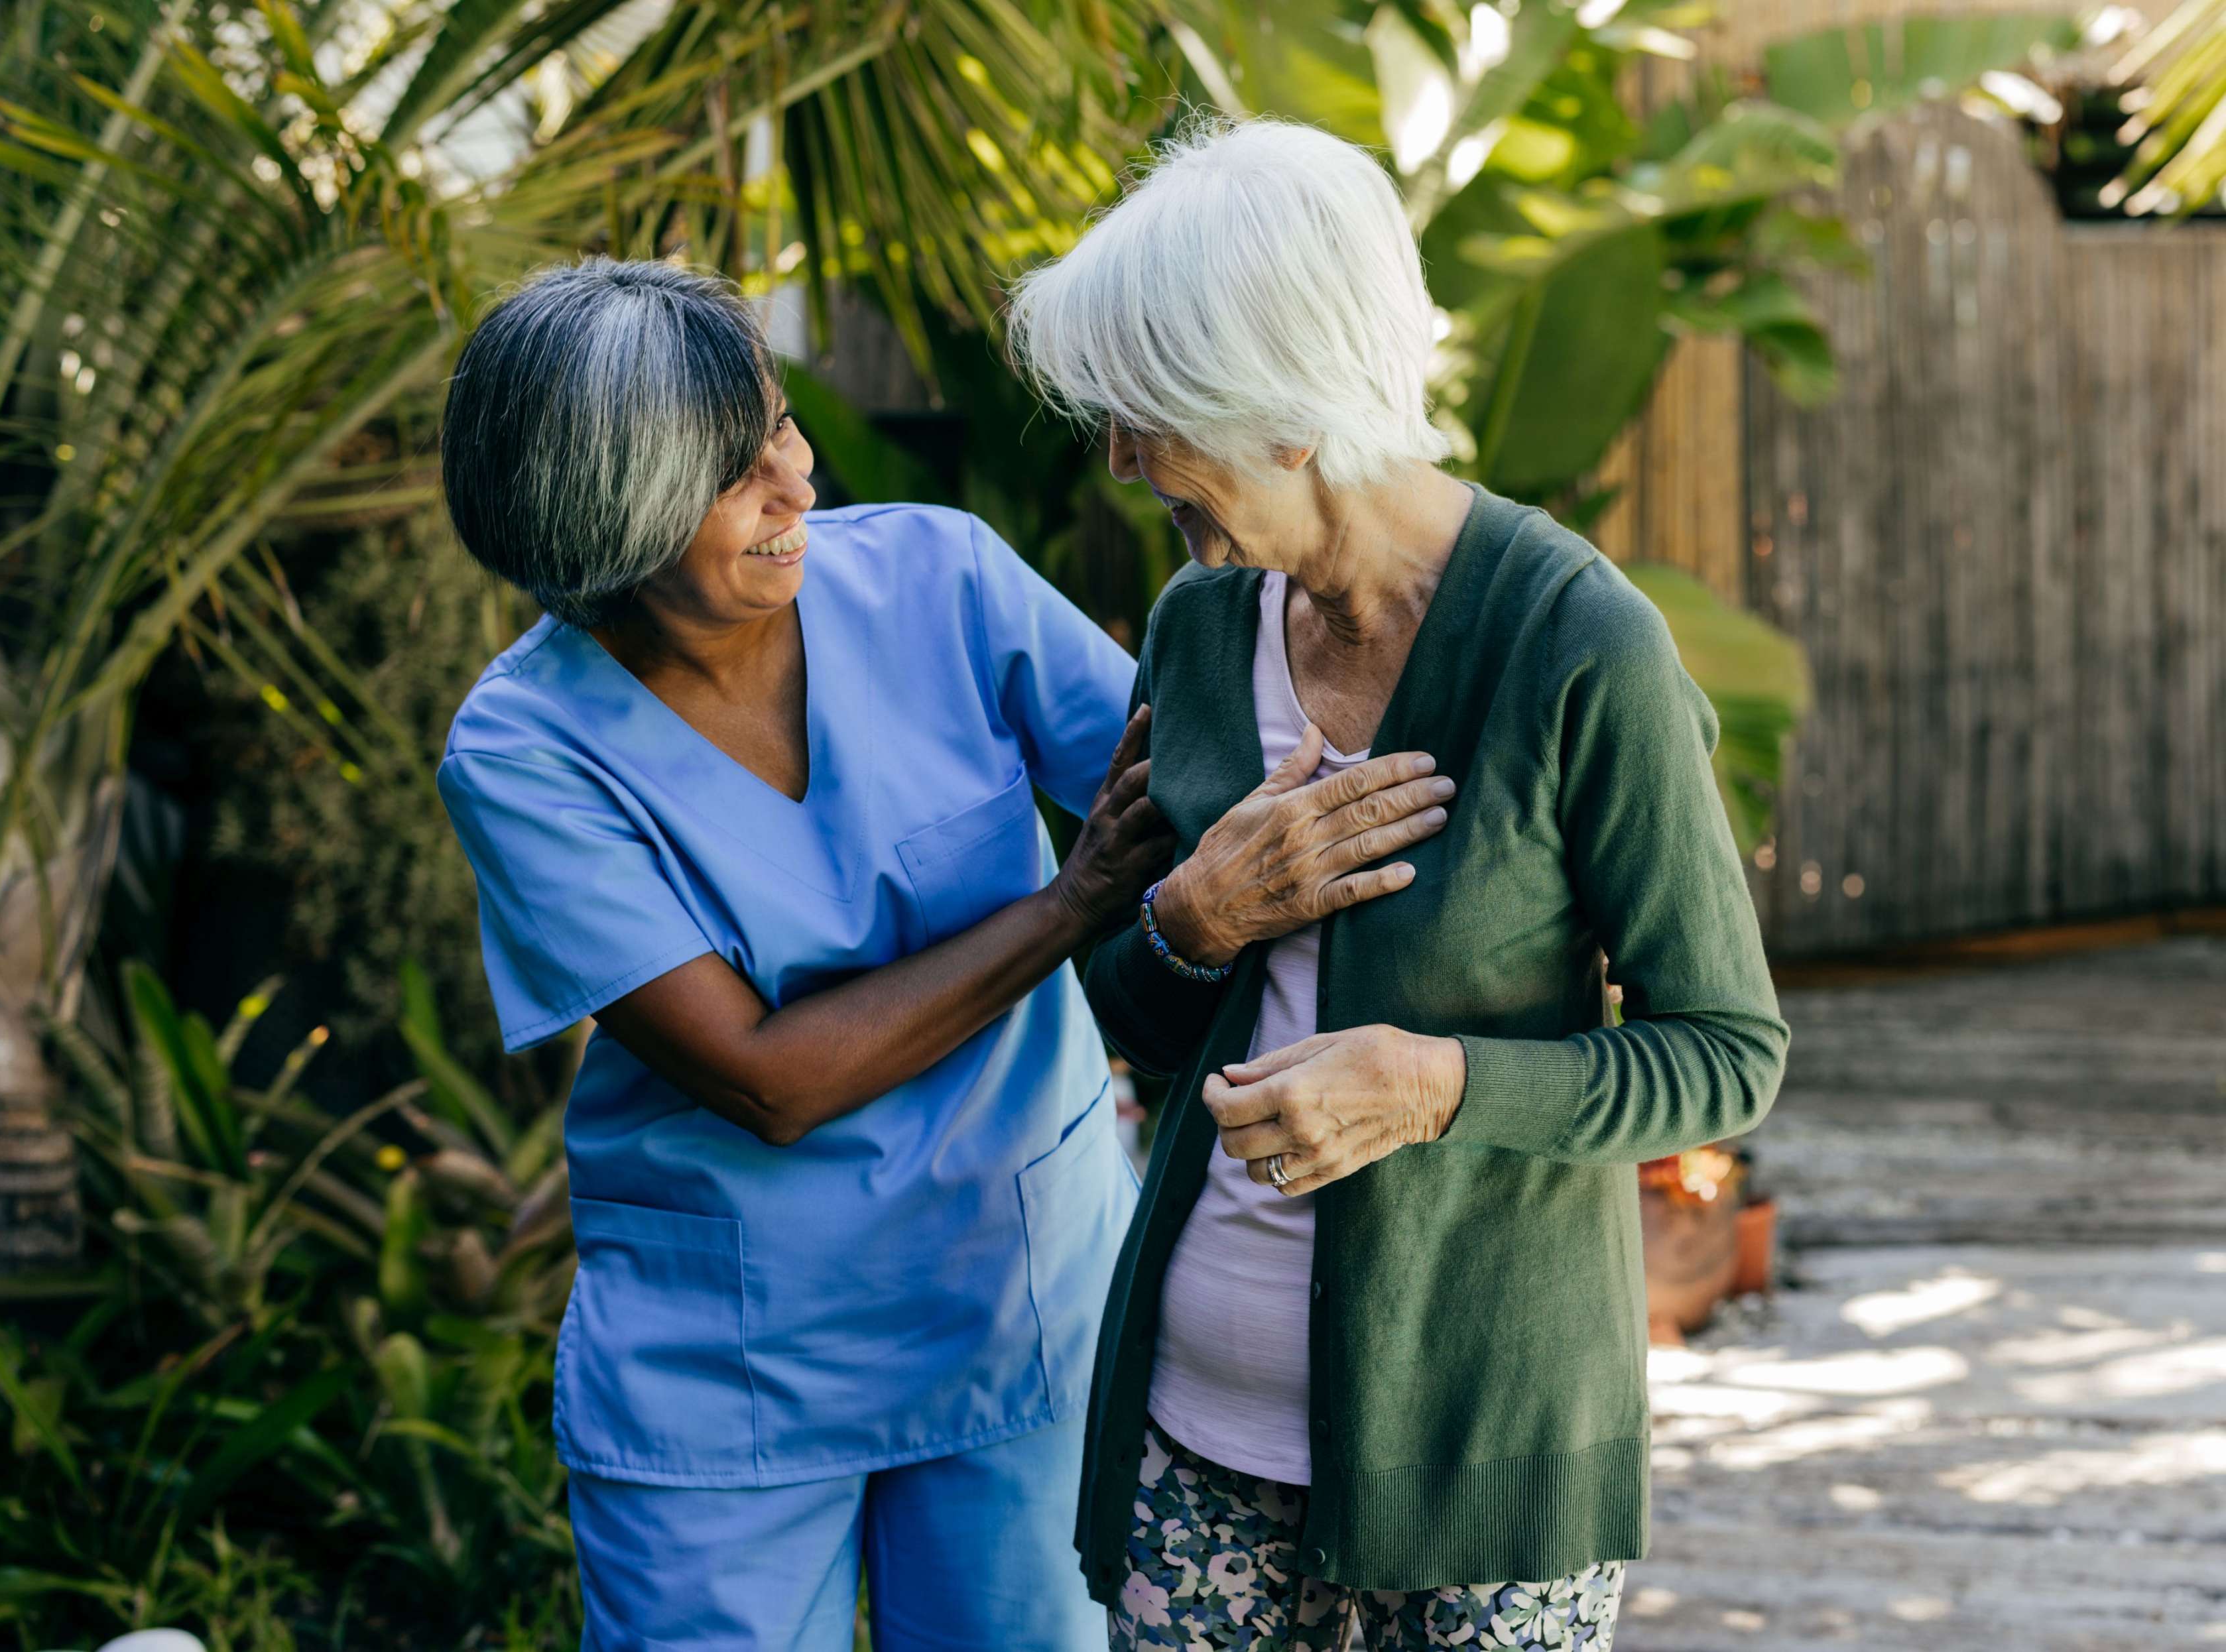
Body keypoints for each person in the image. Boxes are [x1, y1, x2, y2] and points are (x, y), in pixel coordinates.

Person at [433, 259, 1450, 1651]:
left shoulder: (937, 578)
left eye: (779, 425)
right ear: (607, 515)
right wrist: (1070, 901)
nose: (793, 480)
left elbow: (1210, 799)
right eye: (732, 474)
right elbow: (763, 1075)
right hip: (734, 1366)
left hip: (1016, 1305)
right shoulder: (526, 751)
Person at [1007, 118, 1790, 1651]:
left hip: (1483, 1473)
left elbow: (1725, 1056)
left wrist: (1433, 1083)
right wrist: (1189, 924)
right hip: (1194, 1455)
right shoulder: (1194, 629)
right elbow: (1144, 1029)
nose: (1115, 454)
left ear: (1284, 410)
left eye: (1146, 411)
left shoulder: (1580, 649)